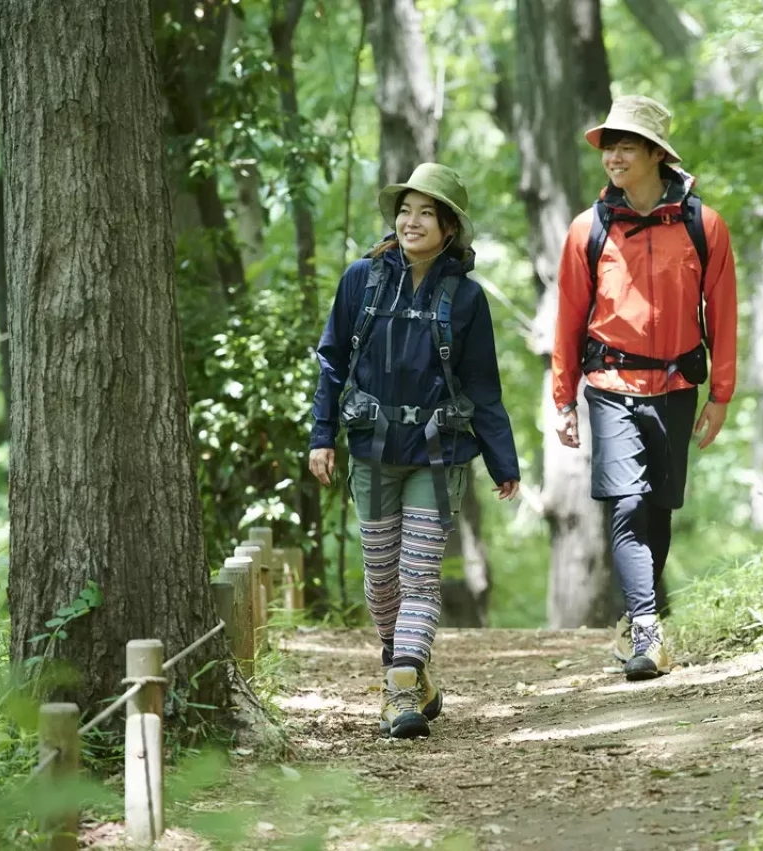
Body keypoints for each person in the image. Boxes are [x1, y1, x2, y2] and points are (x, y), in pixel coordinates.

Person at [309, 163, 521, 738]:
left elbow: (483, 385)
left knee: (420, 576)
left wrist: (504, 461)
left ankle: (401, 686)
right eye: (405, 210)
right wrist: (320, 435)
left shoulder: (468, 298)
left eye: (426, 212)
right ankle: (406, 669)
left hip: (438, 452)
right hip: (372, 450)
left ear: (448, 227)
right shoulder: (361, 280)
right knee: (381, 579)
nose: (411, 220)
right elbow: (331, 361)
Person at [552, 95, 738, 681]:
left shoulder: (702, 225)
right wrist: (563, 397)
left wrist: (722, 395)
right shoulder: (589, 229)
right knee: (628, 503)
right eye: (609, 145)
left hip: (678, 383)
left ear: (657, 153)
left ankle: (638, 624)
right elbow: (567, 317)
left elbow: (725, 313)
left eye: (627, 145)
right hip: (608, 383)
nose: (615, 155)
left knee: (658, 508)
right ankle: (649, 631)